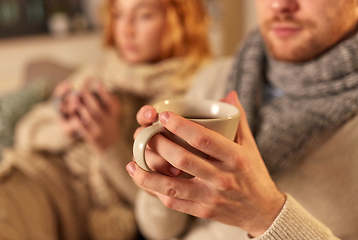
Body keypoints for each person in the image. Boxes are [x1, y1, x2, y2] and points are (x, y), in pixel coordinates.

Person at [128, 0, 358, 239]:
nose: (279, 5)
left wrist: (266, 217)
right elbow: (158, 231)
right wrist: (160, 183)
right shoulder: (214, 78)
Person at [0, 0, 216, 239]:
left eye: (143, 16)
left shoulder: (194, 95)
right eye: (119, 15)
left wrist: (109, 144)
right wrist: (67, 127)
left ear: (180, 21)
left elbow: (162, 208)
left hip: (72, 203)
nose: (126, 30)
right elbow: (25, 132)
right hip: (36, 175)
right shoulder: (98, 73)